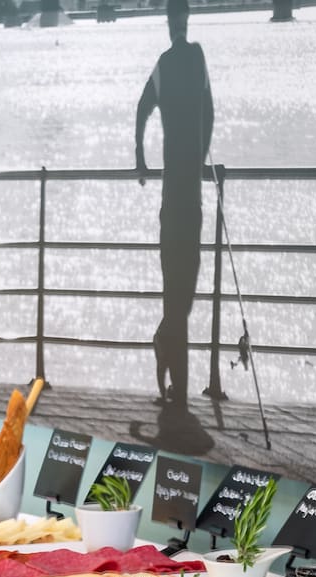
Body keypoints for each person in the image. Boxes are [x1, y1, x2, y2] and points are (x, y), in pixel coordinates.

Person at [134, 0, 214, 405]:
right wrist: (142, 158)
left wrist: (143, 158)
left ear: (175, 22)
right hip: (181, 196)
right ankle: (179, 392)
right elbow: (208, 113)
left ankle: (164, 340)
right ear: (177, 21)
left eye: (177, 17)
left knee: (182, 292)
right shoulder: (180, 61)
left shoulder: (184, 60)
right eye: (176, 18)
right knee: (178, 291)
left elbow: (143, 109)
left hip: (184, 195)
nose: (177, 23)